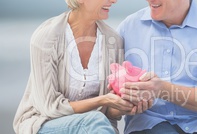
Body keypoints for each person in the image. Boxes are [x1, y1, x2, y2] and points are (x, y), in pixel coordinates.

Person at [13, 0, 153, 133]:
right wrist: (103, 100)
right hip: (43, 123)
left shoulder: (112, 41)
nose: (114, 0)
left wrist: (125, 105)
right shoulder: (47, 37)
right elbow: (50, 108)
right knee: (94, 120)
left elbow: (109, 115)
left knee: (96, 122)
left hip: (94, 127)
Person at [117, 0, 197, 133]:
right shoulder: (128, 28)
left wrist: (163, 89)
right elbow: (110, 93)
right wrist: (126, 100)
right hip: (148, 124)